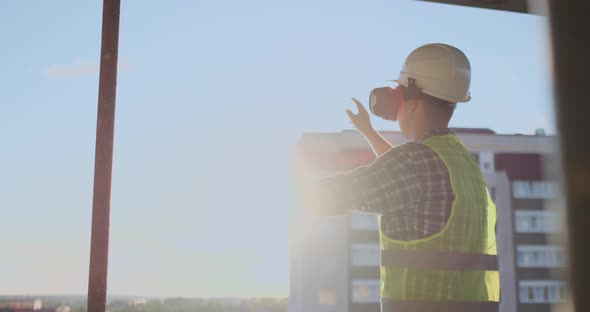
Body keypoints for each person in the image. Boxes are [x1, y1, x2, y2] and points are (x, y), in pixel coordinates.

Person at [305, 43, 500, 312]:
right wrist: (368, 132)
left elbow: (333, 196)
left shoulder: (413, 163)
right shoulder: (463, 165)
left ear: (410, 99)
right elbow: (406, 179)